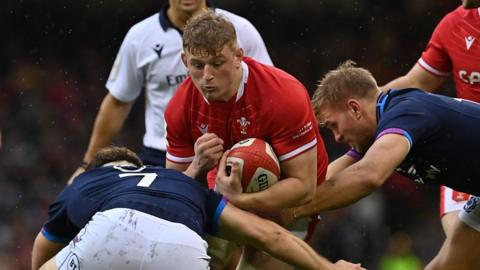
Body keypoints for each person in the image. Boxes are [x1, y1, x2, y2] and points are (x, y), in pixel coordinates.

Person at [164, 11, 328, 270]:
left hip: (288, 204)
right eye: (197, 65)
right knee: (194, 261)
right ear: (184, 60)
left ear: (239, 56)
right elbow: (172, 193)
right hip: (222, 198)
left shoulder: (284, 95)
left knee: (261, 261)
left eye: (217, 64)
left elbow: (304, 187)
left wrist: (242, 201)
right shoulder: (179, 107)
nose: (207, 75)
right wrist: (196, 166)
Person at [31, 146, 363, 270]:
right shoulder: (182, 185)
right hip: (184, 248)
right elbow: (269, 234)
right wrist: (328, 268)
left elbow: (42, 250)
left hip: (115, 227)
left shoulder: (87, 182)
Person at [284, 61, 480, 269]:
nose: (337, 137)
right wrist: (279, 201)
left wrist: (294, 211)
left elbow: (369, 175)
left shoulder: (405, 112)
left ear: (354, 108)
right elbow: (326, 177)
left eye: (334, 125)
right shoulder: (379, 132)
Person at [69, 0, 272, 182]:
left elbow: (267, 90)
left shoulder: (241, 30)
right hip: (161, 155)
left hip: (229, 151)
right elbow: (118, 102)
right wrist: (86, 164)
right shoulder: (139, 37)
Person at [380, 0, 480, 239]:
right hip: (469, 162)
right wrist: (363, 100)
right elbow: (417, 83)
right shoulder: (454, 25)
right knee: (458, 252)